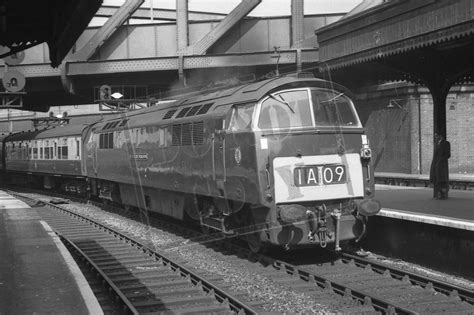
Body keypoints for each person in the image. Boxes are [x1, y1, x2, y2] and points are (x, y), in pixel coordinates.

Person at [429, 132, 451, 199]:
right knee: (436, 178)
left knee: (442, 179)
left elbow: (448, 154)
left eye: (436, 135)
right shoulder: (436, 144)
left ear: (440, 136)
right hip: (436, 164)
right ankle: (438, 193)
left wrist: (441, 160)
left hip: (442, 165)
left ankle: (443, 194)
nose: (435, 137)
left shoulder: (446, 143)